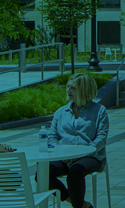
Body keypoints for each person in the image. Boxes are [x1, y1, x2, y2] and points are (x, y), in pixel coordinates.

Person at [44, 73, 109, 208]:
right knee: (43, 173)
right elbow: (52, 137)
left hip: (91, 156)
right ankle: (82, 205)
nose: (68, 90)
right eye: (68, 87)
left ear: (84, 89)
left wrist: (83, 153)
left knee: (75, 171)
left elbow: (101, 138)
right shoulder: (60, 112)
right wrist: (59, 154)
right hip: (64, 156)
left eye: (73, 88)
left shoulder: (99, 111)